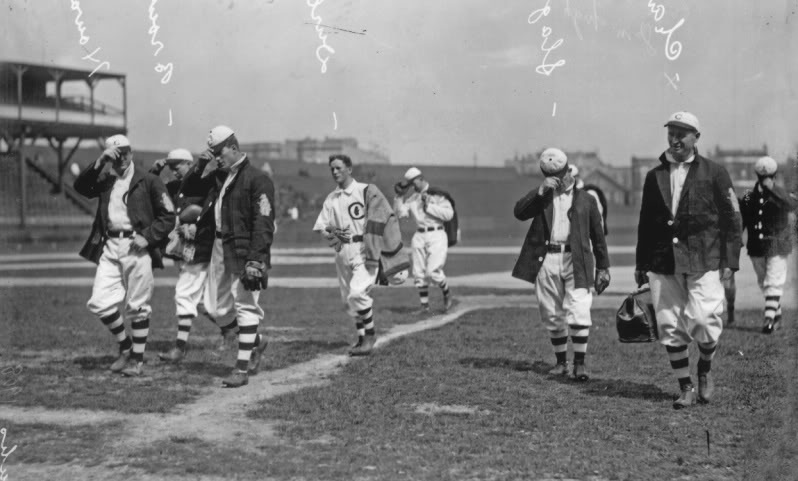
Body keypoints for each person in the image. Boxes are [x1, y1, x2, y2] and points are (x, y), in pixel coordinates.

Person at [635, 111, 742, 409]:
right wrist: (641, 263)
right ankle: (685, 387)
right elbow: (646, 223)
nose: (675, 138)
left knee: (706, 321)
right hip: (662, 261)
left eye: (682, 133)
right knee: (670, 325)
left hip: (704, 257)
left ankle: (705, 368)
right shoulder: (653, 175)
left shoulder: (715, 172)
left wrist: (730, 262)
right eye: (671, 132)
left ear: (696, 137)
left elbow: (732, 218)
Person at [73, 134, 175, 377]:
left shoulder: (148, 180)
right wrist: (99, 162)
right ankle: (126, 346)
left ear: (132, 153)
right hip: (110, 245)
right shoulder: (106, 180)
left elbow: (168, 217)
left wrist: (148, 236)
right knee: (99, 302)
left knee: (138, 305)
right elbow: (80, 188)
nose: (121, 159)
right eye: (116, 155)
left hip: (136, 246)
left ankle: (136, 361)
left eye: (125, 153)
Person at [185, 126, 275, 388]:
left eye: (218, 151)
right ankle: (257, 342)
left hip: (244, 250)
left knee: (245, 306)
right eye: (212, 153)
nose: (216, 157)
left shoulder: (258, 179)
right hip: (219, 247)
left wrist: (256, 259)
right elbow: (187, 189)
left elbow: (264, 222)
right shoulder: (219, 177)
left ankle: (241, 369)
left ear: (234, 147)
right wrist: (202, 162)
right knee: (214, 307)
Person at [512, 148, 611, 382]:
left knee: (578, 308)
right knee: (552, 311)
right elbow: (519, 212)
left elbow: (598, 236)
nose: (560, 179)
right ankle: (560, 363)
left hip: (576, 259)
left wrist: (603, 267)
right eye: (552, 175)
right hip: (546, 258)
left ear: (569, 171)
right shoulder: (542, 197)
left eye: (561, 174)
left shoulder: (587, 199)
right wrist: (540, 191)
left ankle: (580, 364)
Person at [149, 149, 236, 362]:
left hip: (201, 249)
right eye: (170, 167)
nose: (174, 171)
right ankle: (233, 330)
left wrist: (195, 226)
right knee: (200, 302)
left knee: (185, 294)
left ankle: (180, 348)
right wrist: (155, 171)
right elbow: (149, 191)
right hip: (182, 250)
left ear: (189, 164)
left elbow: (207, 214)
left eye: (177, 166)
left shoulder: (203, 185)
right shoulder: (171, 188)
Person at [314, 154, 397, 356]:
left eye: (338, 168)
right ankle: (361, 338)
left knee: (358, 293)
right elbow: (321, 226)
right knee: (348, 300)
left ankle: (370, 335)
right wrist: (331, 233)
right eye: (331, 169)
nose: (334, 172)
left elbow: (384, 217)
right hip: (342, 251)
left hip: (364, 248)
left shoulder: (365, 191)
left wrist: (382, 248)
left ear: (349, 169)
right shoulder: (331, 198)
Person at [738, 156, 798, 333]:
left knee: (774, 282)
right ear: (757, 175)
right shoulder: (749, 195)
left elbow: (791, 205)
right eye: (762, 176)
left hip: (777, 245)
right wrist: (739, 239)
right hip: (756, 246)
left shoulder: (782, 194)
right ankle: (776, 314)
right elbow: (744, 218)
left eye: (769, 176)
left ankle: (768, 320)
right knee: (764, 283)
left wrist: (775, 190)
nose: (765, 179)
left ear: (774, 175)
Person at [393, 167, 455, 313]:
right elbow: (400, 214)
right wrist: (399, 197)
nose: (412, 186)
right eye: (409, 183)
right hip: (419, 235)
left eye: (413, 182)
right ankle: (424, 307)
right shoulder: (413, 198)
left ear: (420, 179)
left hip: (437, 234)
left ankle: (447, 293)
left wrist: (429, 205)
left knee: (432, 272)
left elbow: (449, 214)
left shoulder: (436, 194)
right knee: (418, 273)